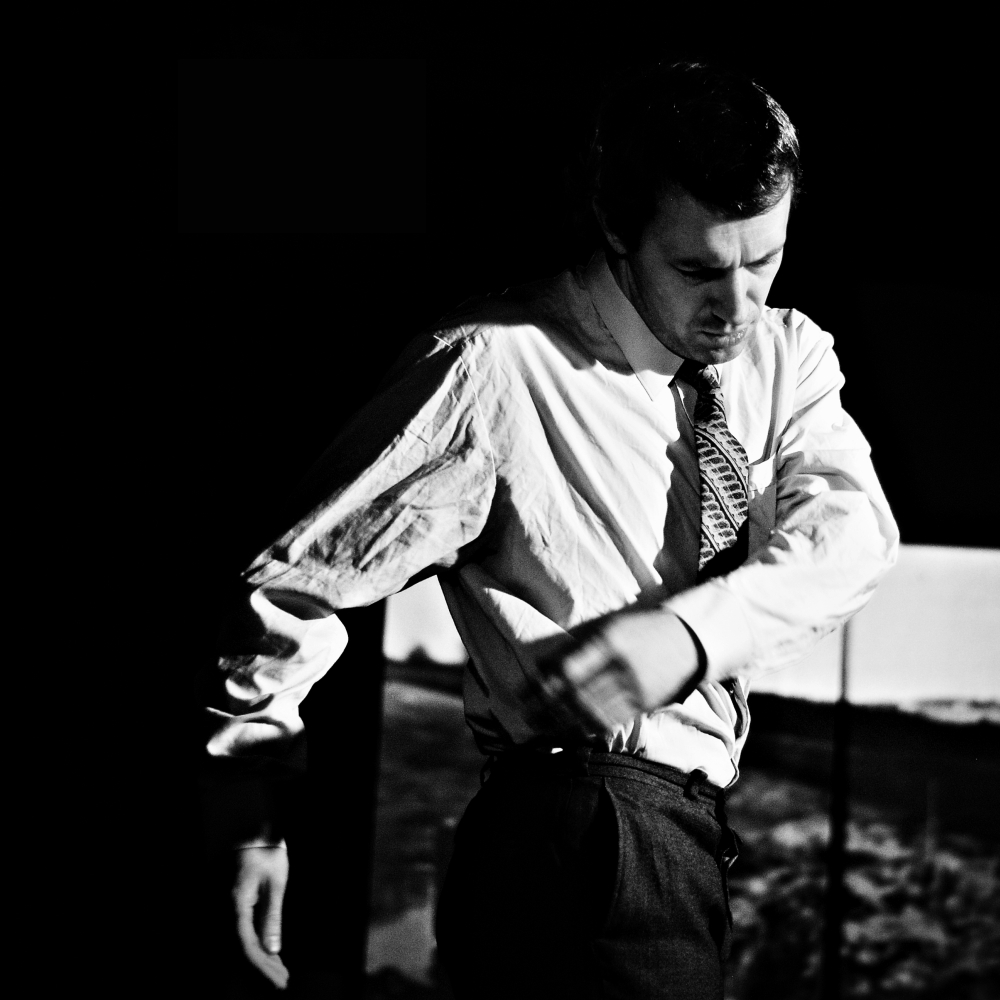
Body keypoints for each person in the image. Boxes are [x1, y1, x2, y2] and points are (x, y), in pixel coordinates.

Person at [203, 60, 899, 997]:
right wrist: (245, 814)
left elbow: (851, 537)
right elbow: (291, 585)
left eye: (763, 260)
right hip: (578, 828)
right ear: (616, 230)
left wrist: (690, 637)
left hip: (682, 839)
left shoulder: (789, 355)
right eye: (697, 269)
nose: (737, 306)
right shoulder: (493, 366)